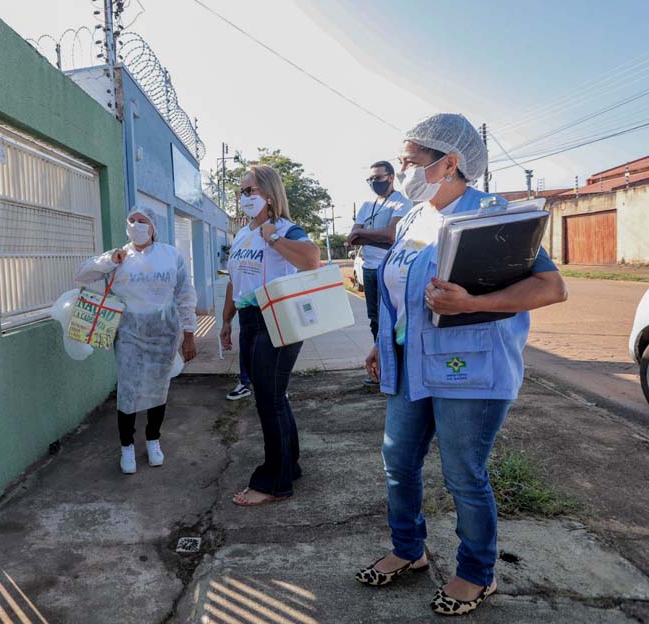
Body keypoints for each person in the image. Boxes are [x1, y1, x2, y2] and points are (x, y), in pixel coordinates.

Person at [357, 114, 568, 616]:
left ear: (449, 162)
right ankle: (408, 550)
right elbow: (400, 294)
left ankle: (477, 572)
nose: (400, 170)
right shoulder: (413, 218)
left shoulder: (493, 214)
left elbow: (551, 288)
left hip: (468, 370)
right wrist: (383, 342)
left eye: (409, 161)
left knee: (463, 475)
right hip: (410, 364)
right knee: (397, 463)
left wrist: (472, 302)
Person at [220, 165, 321, 506]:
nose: (243, 197)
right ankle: (288, 466)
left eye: (249, 191)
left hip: (276, 317)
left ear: (268, 192)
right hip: (248, 319)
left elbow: (312, 260)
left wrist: (275, 238)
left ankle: (274, 483)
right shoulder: (243, 234)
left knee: (269, 400)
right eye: (241, 192)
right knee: (274, 397)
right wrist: (226, 321)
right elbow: (236, 280)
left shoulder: (286, 229)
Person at [75, 206, 198, 475]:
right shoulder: (119, 256)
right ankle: (127, 446)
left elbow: (185, 294)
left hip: (163, 333)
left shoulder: (170, 255)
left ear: (153, 226)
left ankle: (153, 440)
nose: (137, 225)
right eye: (132, 220)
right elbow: (82, 275)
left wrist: (189, 333)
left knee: (158, 387)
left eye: (143, 221)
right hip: (129, 333)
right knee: (128, 390)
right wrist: (108, 260)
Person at [347, 161, 412, 387]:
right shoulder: (367, 205)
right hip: (369, 269)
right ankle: (382, 367)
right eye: (371, 179)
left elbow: (391, 235)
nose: (374, 183)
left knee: (393, 319)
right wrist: (375, 235)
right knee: (375, 320)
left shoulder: (401, 203)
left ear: (391, 177)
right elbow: (352, 237)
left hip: (390, 269)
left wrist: (364, 234)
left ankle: (397, 367)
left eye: (378, 178)